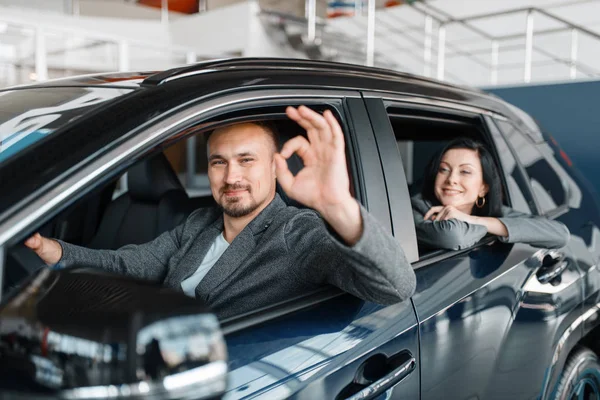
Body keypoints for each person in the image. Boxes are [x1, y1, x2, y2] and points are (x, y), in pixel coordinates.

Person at [25, 106, 416, 319]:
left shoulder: (297, 233)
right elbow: (134, 265)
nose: (232, 177)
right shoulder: (199, 223)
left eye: (246, 160)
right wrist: (55, 252)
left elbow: (396, 286)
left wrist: (339, 206)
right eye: (218, 163)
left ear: (274, 167)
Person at [412, 137, 570, 251]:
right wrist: (493, 227)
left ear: (483, 188)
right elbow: (452, 235)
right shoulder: (416, 208)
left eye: (465, 171)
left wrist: (473, 219)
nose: (451, 179)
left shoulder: (494, 211)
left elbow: (560, 234)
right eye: (443, 169)